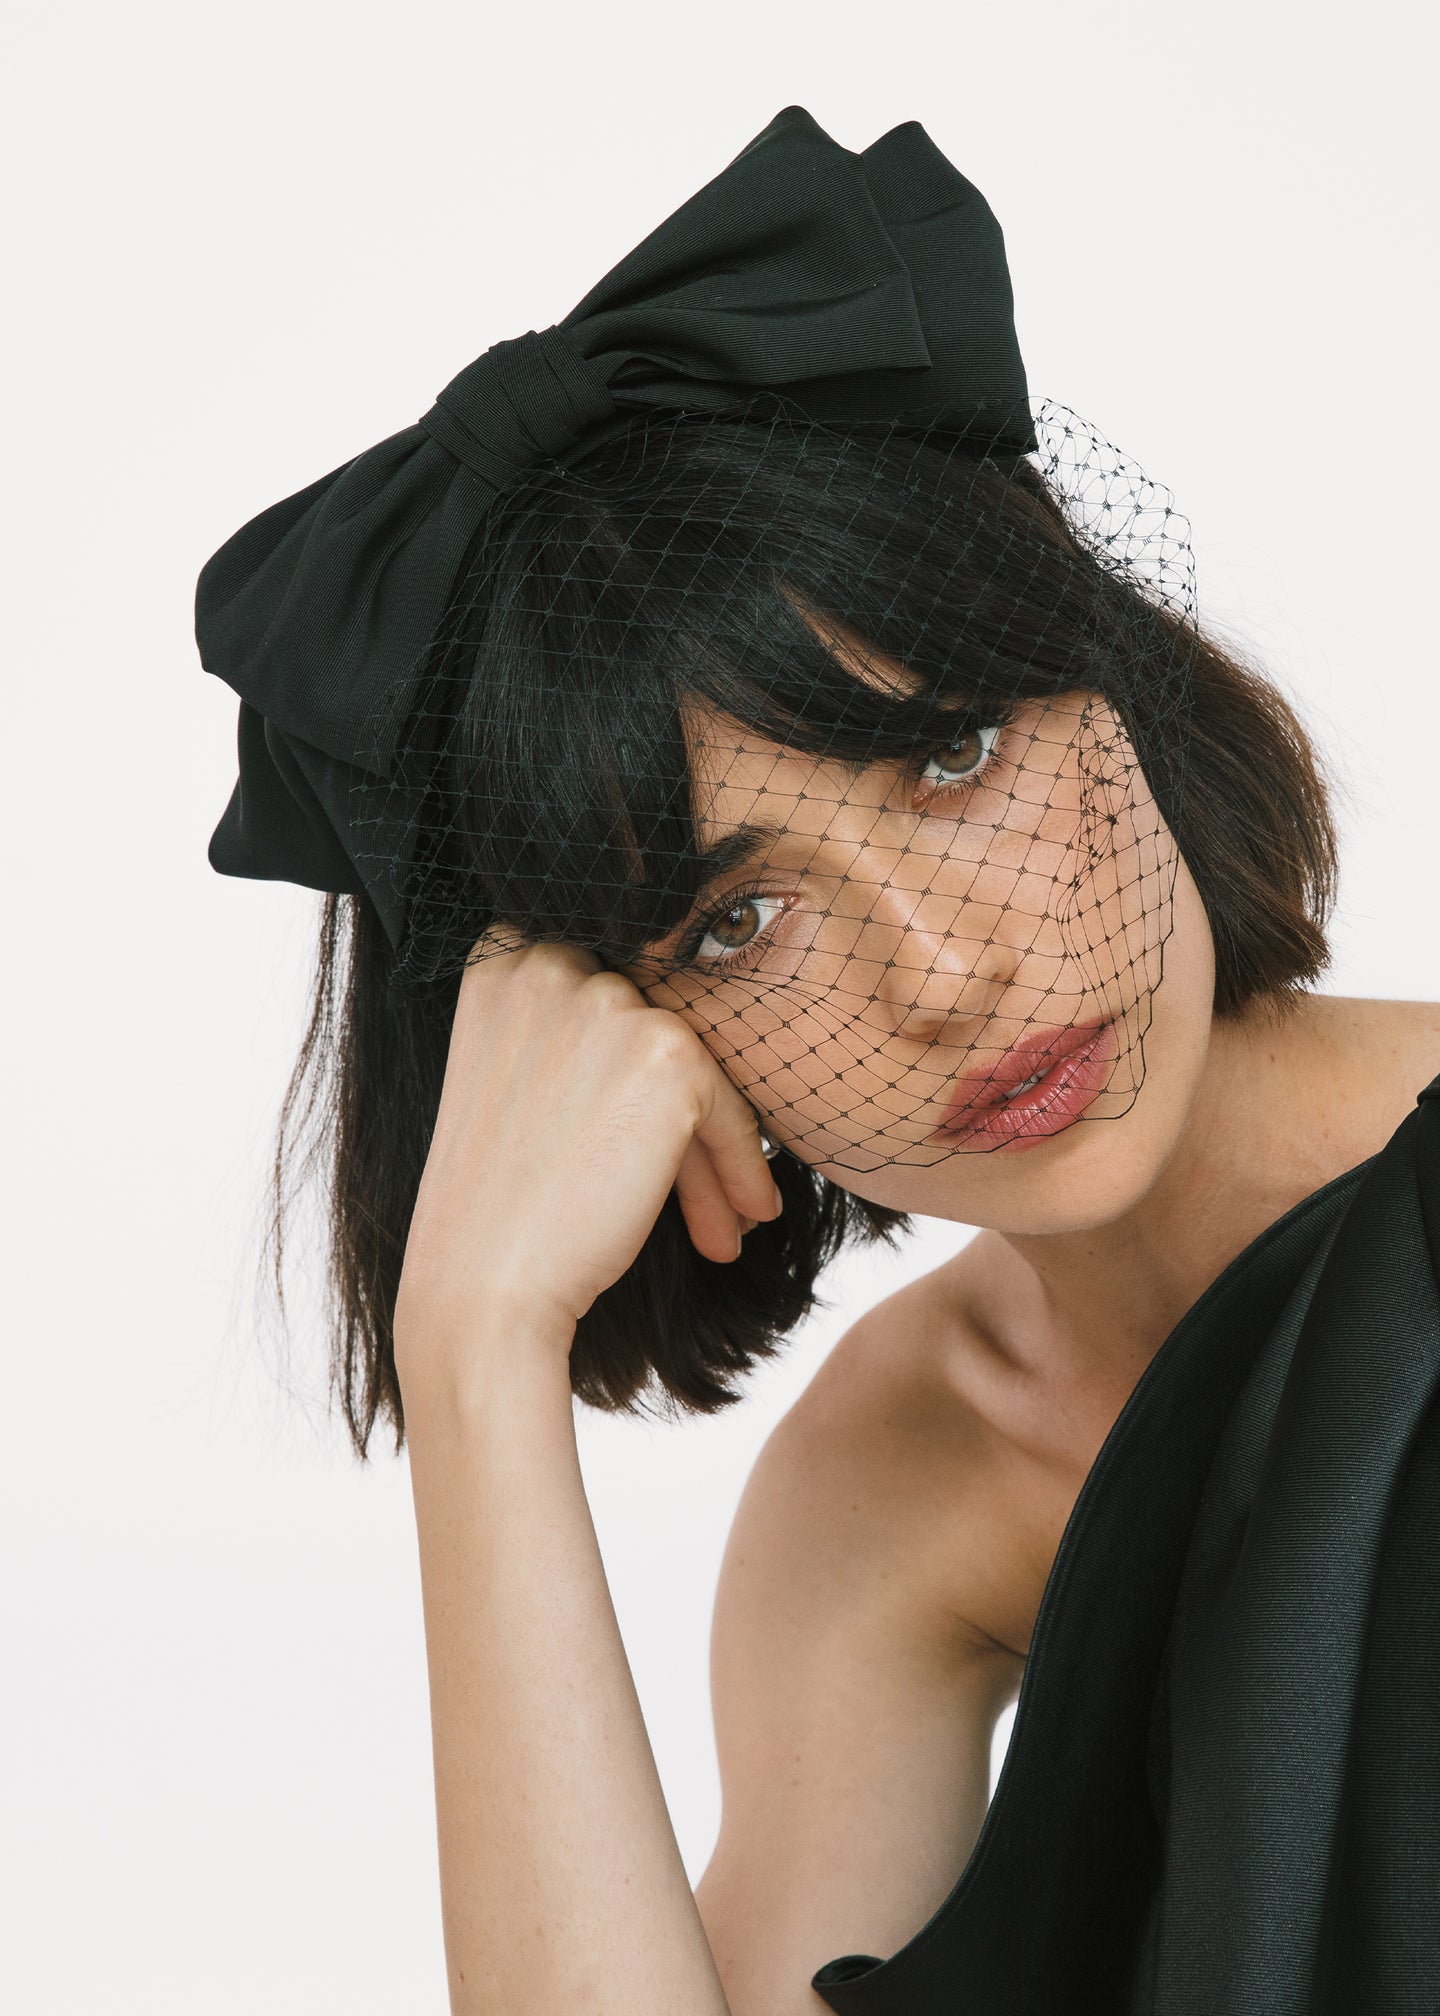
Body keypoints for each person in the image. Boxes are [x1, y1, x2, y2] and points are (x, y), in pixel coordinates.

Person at [195, 107, 1440, 2015]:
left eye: (953, 753)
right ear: (622, 1045)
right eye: (738, 922)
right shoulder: (900, 1475)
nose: (940, 974)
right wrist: (475, 1349)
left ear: (1119, 677)